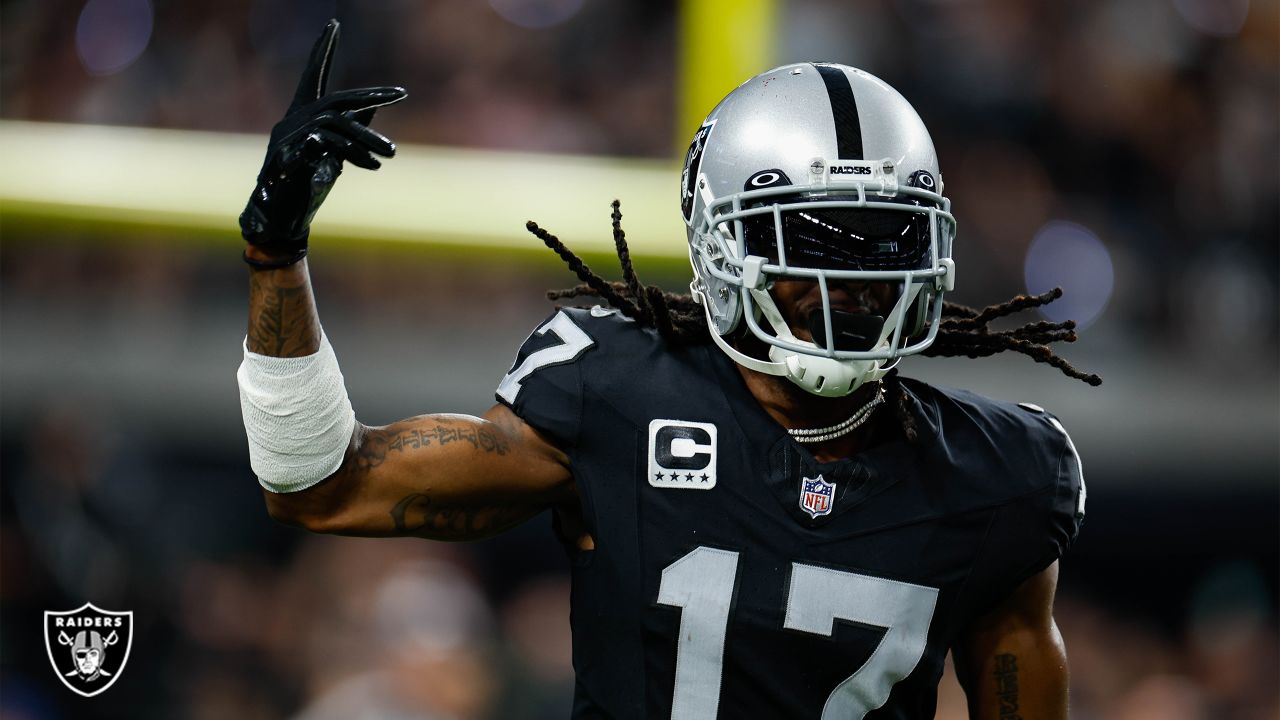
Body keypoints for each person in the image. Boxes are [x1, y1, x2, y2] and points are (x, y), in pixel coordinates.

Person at [237, 20, 1100, 719]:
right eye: (810, 242)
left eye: (888, 242)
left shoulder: (1002, 477)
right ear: (722, 246)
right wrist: (277, 255)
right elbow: (318, 484)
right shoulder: (616, 392)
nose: (855, 281)